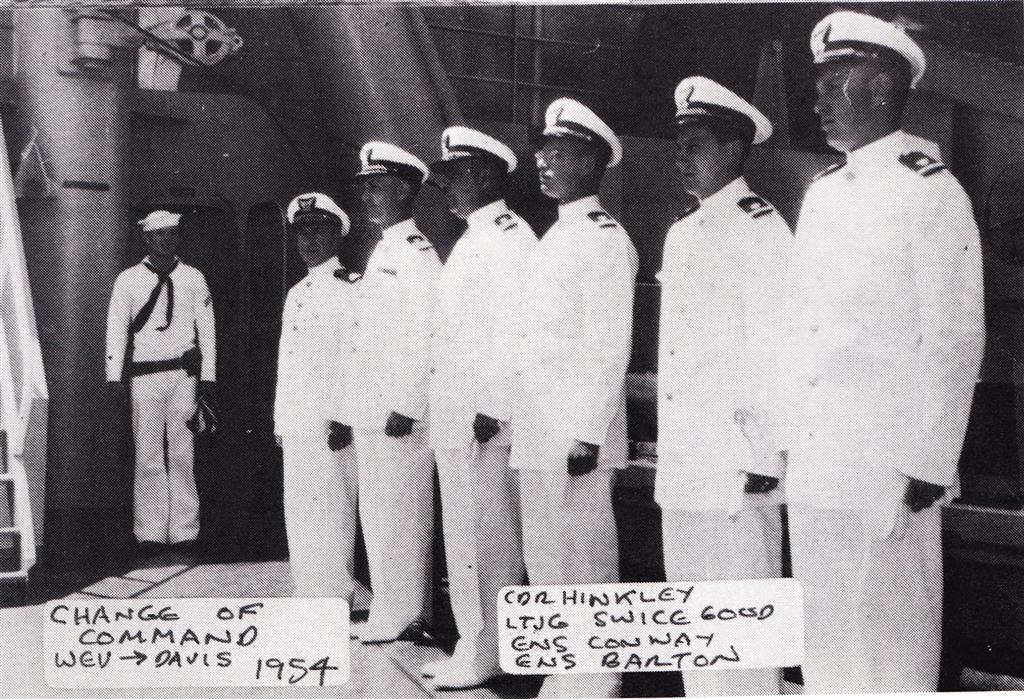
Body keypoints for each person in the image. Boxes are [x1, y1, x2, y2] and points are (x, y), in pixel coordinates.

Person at [780, 10, 984, 692]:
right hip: (818, 462)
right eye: (818, 82)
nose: (817, 98)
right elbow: (802, 330)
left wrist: (927, 462)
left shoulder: (931, 193)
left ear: (882, 86)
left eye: (836, 79)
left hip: (887, 469)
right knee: (826, 635)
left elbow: (955, 338)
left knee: (892, 645)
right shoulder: (822, 197)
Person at [655, 76, 792, 696]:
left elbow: (777, 348)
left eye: (697, 143)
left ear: (735, 150)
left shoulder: (761, 228)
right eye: (679, 144)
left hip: (738, 464)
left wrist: (765, 453)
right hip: (686, 461)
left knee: (742, 623)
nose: (681, 156)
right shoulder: (683, 232)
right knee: (695, 620)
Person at [511, 98, 637, 699]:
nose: (543, 163)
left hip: (575, 434)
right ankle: (565, 670)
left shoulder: (603, 238)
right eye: (542, 152)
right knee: (547, 556)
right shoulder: (555, 236)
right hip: (538, 432)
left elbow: (607, 344)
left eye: (558, 154)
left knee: (584, 558)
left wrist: (587, 430)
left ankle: (596, 677)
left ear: (591, 163)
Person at [422, 126, 536, 689]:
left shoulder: (510, 237)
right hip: (455, 417)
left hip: (483, 420)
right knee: (463, 540)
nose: (446, 186)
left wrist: (493, 405)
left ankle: (490, 649)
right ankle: (473, 644)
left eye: (456, 175)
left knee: (489, 542)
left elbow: (517, 330)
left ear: (488, 175)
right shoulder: (472, 237)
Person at [333, 141, 441, 645]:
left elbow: (427, 334)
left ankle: (405, 610)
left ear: (403, 190)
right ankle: (390, 606)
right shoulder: (384, 250)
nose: (369, 198)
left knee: (402, 515)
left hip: (399, 413)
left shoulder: (418, 254)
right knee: (378, 515)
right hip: (372, 409)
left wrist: (408, 404)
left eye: (377, 188)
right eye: (366, 189)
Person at [105, 210, 216, 554]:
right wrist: (113, 375)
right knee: (148, 452)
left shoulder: (193, 278)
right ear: (147, 239)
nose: (167, 240)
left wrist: (209, 375)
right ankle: (150, 529)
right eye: (160, 235)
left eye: (173, 234)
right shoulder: (128, 280)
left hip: (184, 374)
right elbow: (116, 328)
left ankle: (185, 527)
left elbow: (207, 329)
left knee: (184, 451)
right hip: (144, 375)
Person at [274, 192, 360, 599]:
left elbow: (354, 356)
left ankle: (335, 594)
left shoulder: (350, 289)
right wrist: (280, 420)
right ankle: (308, 591)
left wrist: (344, 416)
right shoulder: (297, 293)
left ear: (337, 236)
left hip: (330, 422)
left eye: (318, 231)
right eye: (302, 232)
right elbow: (287, 363)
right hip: (297, 421)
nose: (308, 240)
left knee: (332, 509)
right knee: (300, 511)